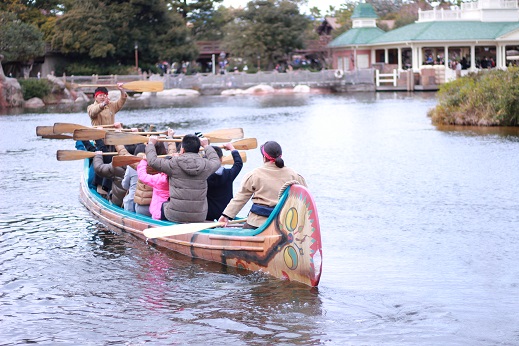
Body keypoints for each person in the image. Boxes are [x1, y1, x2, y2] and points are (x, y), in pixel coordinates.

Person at [218, 141, 307, 229]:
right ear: (281, 156)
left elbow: (240, 198)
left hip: (257, 223)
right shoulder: (294, 175)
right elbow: (305, 199)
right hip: (286, 223)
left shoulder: (254, 175)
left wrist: (226, 216)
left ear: (264, 157)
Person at [145, 134, 220, 223]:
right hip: (199, 216)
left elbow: (152, 161)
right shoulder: (206, 165)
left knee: (163, 205)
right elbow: (216, 161)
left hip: (174, 215)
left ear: (182, 149)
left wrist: (151, 143)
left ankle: (162, 227)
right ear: (198, 150)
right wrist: (207, 146)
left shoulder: (173, 163)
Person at [206, 143, 243, 221]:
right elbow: (238, 163)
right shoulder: (229, 174)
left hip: (208, 215)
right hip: (225, 213)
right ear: (221, 159)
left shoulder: (202, 176)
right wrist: (232, 149)